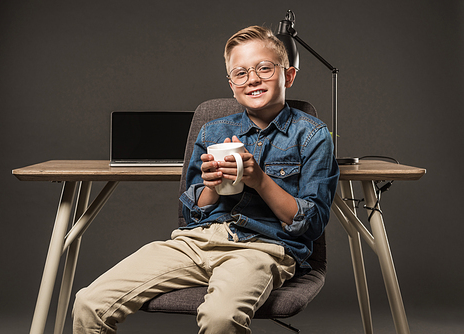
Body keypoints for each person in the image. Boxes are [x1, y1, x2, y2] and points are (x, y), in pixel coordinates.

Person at [73, 25, 339, 334]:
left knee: (220, 318)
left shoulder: (313, 135)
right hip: (198, 242)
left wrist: (258, 180)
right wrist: (211, 188)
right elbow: (190, 214)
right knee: (89, 303)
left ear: (288, 76)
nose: (252, 79)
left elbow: (313, 223)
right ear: (231, 84)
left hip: (263, 249)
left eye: (264, 69)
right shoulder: (212, 131)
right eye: (240, 73)